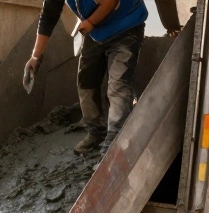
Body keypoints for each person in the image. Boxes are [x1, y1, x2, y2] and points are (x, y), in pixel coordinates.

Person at [25, 0, 147, 154]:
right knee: (86, 81)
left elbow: (110, 2)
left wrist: (90, 22)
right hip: (96, 30)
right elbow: (49, 16)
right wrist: (35, 57)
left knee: (118, 86)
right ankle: (97, 131)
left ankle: (116, 141)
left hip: (126, 23)